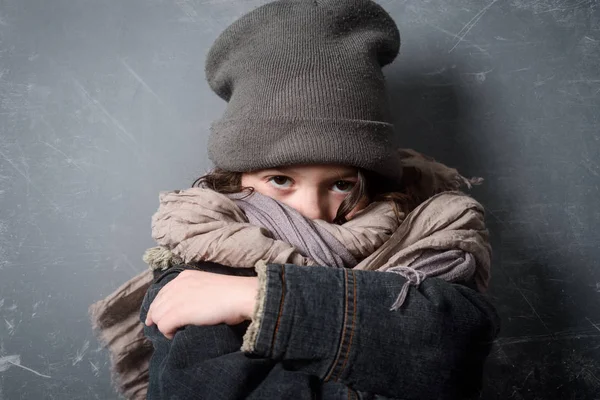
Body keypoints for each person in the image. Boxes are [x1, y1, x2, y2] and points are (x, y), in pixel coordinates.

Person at [90, 0, 500, 399]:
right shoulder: (202, 258)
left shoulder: (429, 232)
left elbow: (457, 348)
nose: (312, 210)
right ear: (235, 177)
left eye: (341, 184)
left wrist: (257, 298)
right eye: (281, 179)